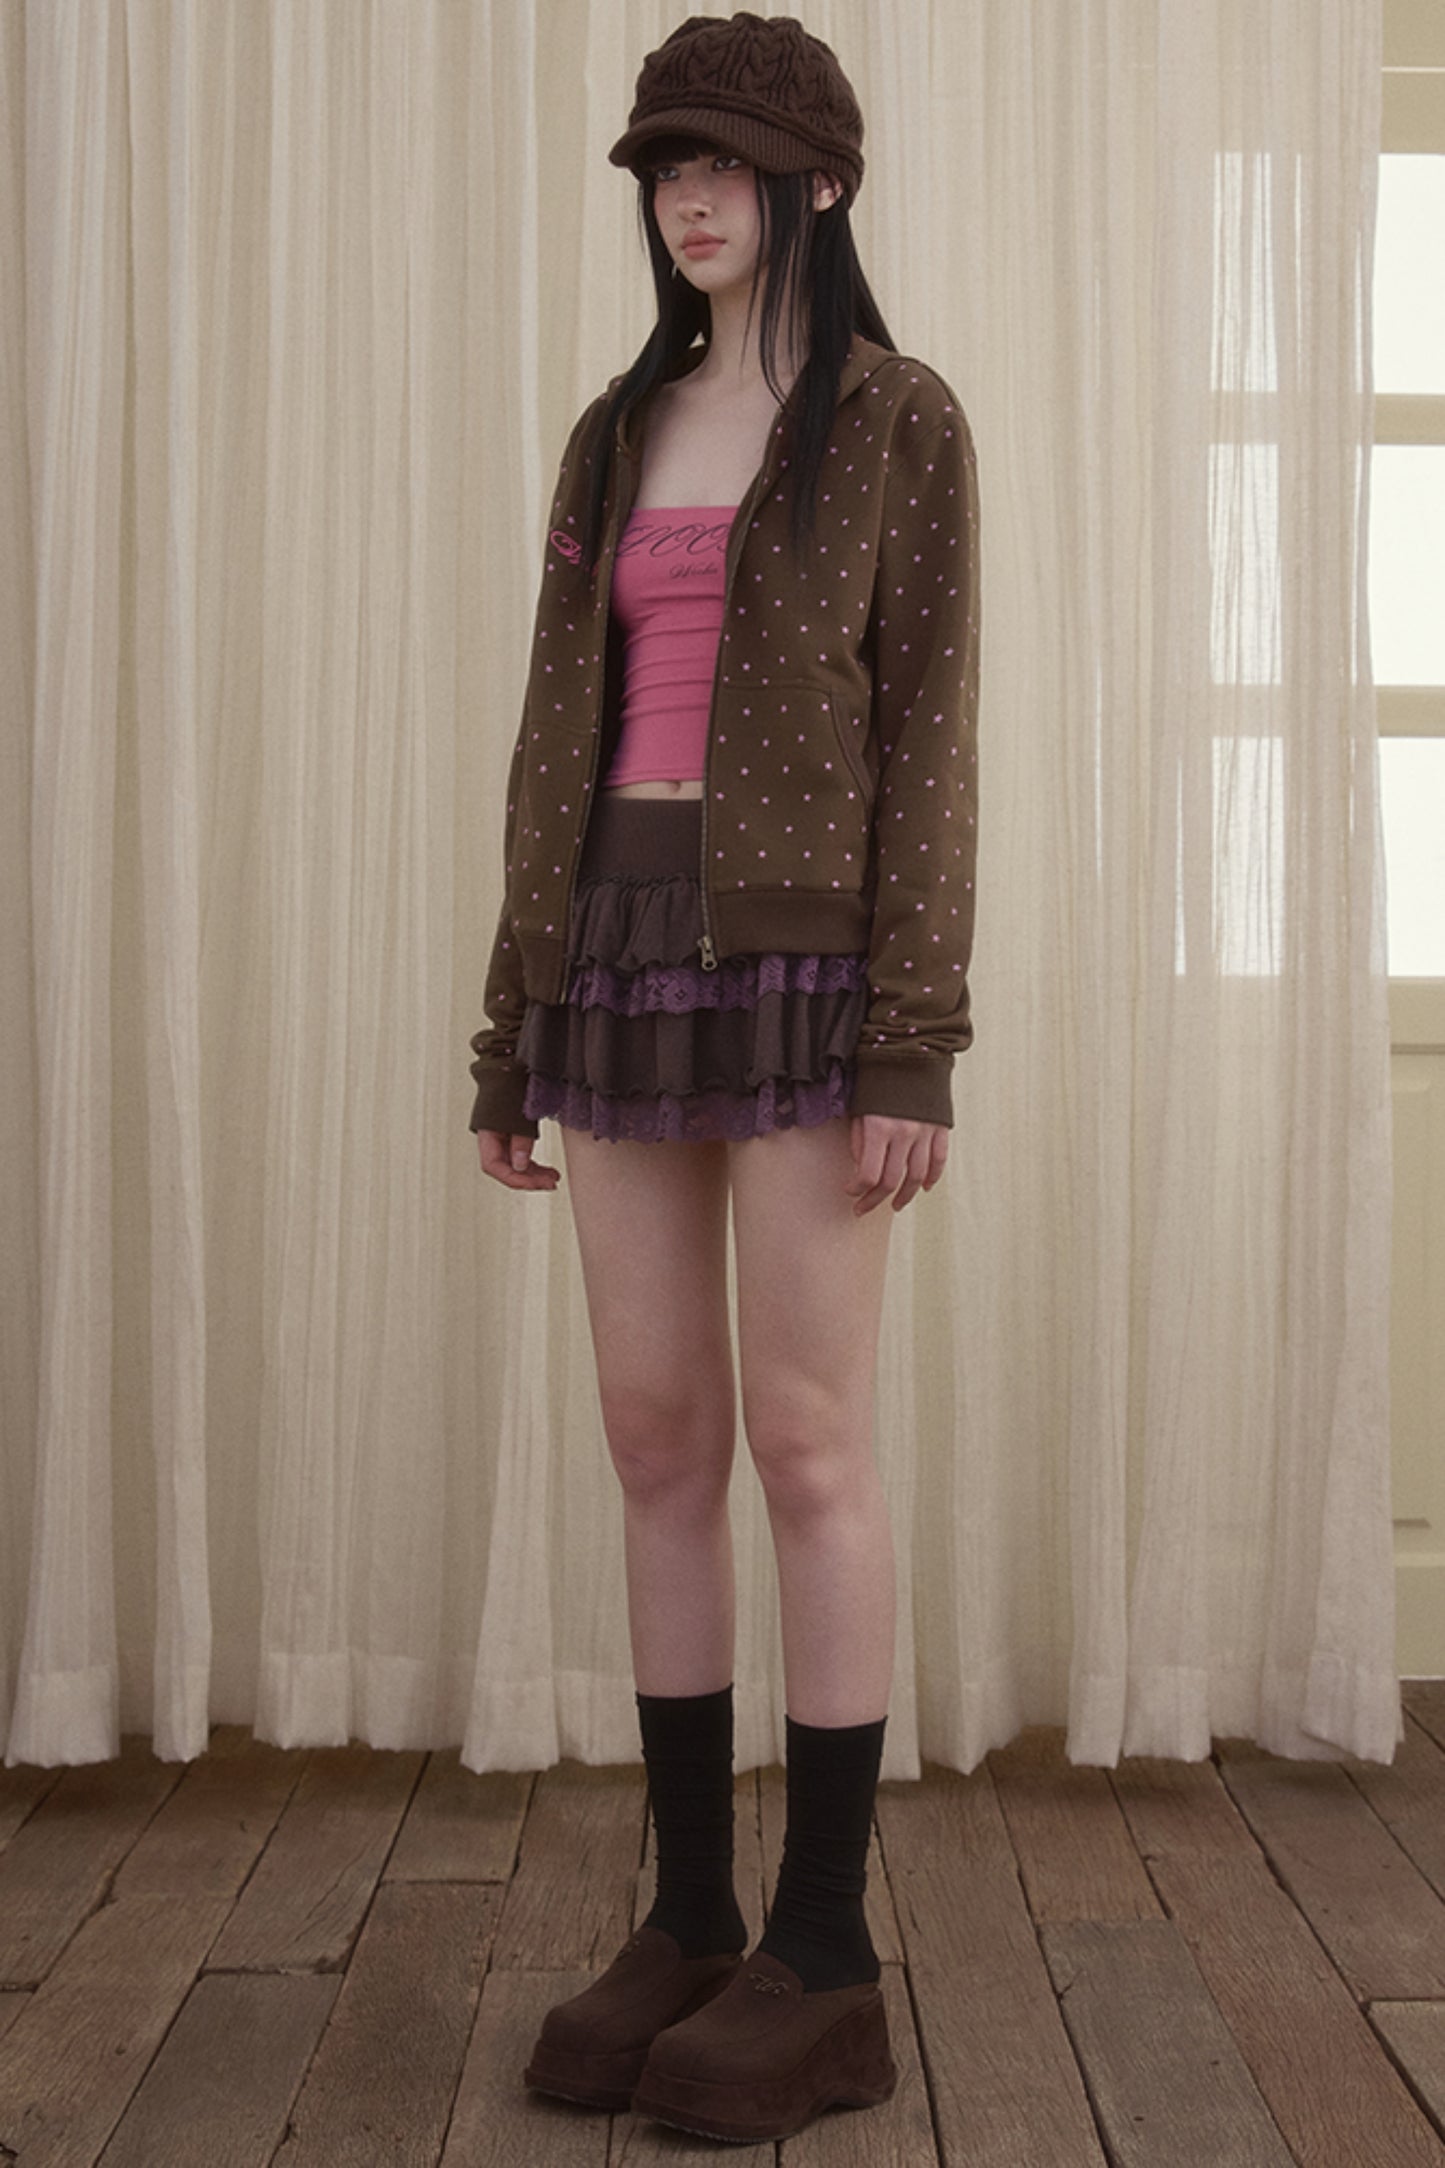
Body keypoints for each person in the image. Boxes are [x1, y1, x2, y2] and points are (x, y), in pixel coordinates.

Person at [467, 9, 979, 2145]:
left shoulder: (896, 421)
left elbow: (930, 734)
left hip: (802, 969)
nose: (688, 195)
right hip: (613, 955)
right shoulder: (618, 428)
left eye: (726, 164)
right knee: (654, 1432)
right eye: (665, 165)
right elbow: (551, 735)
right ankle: (688, 1917)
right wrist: (510, 1020)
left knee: (806, 1438)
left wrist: (912, 1035)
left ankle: (824, 1949)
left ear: (816, 183)